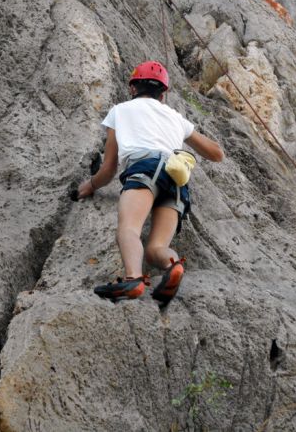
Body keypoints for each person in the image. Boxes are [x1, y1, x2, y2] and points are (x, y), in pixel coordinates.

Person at [76, 61, 223, 306]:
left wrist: (90, 185)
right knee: (156, 248)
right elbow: (217, 154)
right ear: (163, 95)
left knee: (129, 229)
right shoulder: (175, 117)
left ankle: (133, 279)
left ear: (133, 88)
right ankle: (172, 265)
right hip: (176, 177)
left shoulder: (120, 110)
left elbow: (109, 168)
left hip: (145, 168)